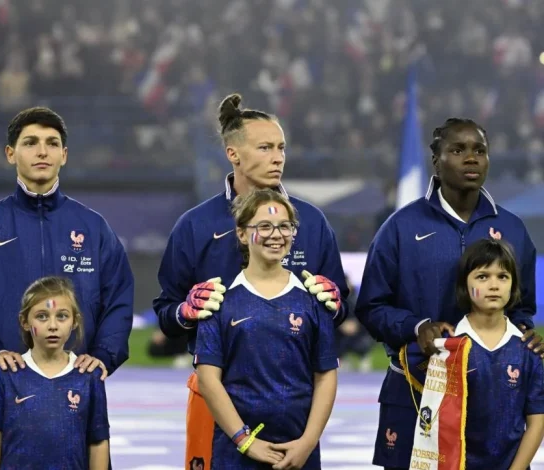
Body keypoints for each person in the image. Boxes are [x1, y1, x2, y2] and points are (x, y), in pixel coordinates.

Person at [153, 93, 348, 469]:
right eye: (265, 147)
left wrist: (337, 304)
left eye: (281, 148)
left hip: (295, 402)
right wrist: (184, 312)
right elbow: (165, 312)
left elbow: (340, 308)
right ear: (233, 154)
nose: (278, 157)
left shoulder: (311, 222)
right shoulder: (195, 225)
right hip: (214, 394)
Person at [0, 106, 133, 460]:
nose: (42, 151)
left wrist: (103, 356)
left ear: (64, 155)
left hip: (79, 398)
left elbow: (119, 299)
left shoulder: (93, 227)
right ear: (10, 153)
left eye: (52, 143)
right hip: (7, 394)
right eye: (30, 142)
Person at [355, 117, 543, 469]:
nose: (471, 158)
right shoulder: (400, 227)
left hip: (492, 403)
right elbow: (371, 307)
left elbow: (522, 310)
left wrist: (527, 335)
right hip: (414, 391)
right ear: (436, 162)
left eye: (479, 151)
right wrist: (416, 327)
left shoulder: (513, 229)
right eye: (458, 150)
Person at [195, 189, 338, 470]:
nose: (276, 235)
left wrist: (307, 443)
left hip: (299, 453)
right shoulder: (218, 300)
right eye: (264, 226)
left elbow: (326, 376)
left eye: (285, 226)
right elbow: (208, 379)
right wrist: (245, 441)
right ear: (241, 233)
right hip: (235, 455)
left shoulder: (314, 299)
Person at [402, 238, 544, 469]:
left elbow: (537, 422)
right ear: (464, 286)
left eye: (503, 276)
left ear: (513, 286)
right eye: (482, 277)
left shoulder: (528, 350)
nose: (494, 285)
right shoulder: (445, 347)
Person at [0, 276, 109, 469]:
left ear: (74, 321)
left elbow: (98, 441)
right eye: (42, 316)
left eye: (62, 316)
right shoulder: (6, 373)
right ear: (24, 321)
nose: (53, 326)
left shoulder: (89, 375)